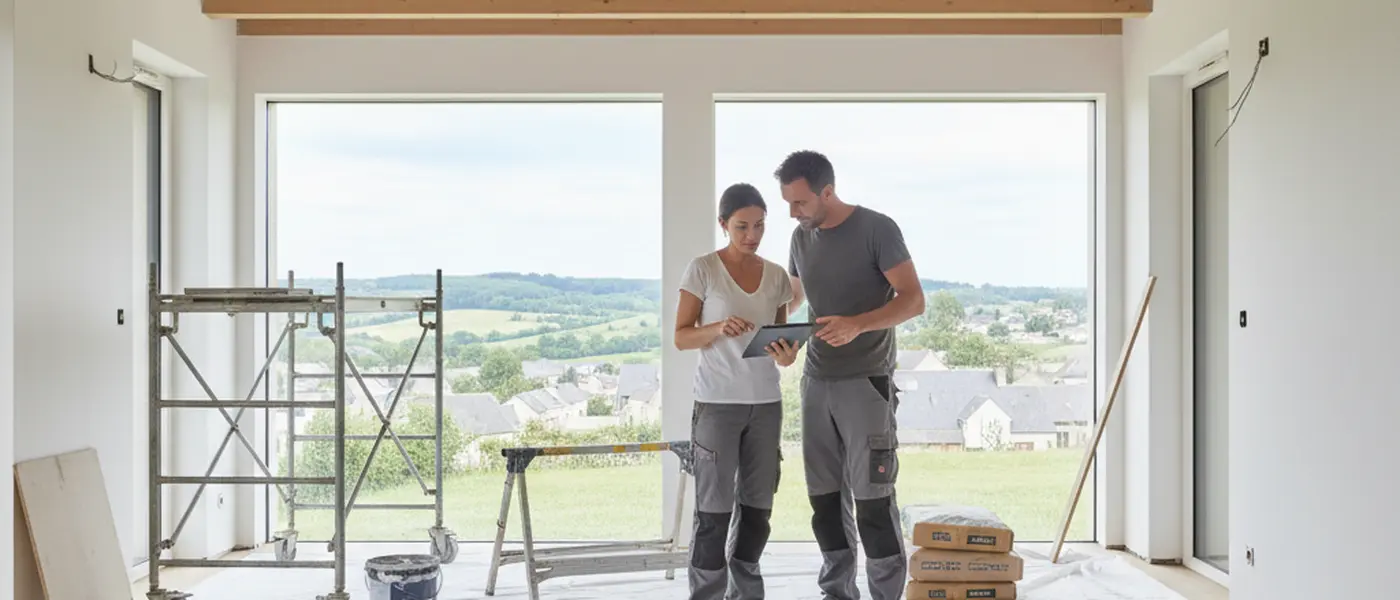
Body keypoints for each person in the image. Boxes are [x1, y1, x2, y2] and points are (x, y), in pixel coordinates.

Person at [776, 150, 925, 600]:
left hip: (866, 381)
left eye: (800, 202)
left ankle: (885, 595)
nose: (793, 212)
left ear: (827, 192)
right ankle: (837, 592)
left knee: (873, 500)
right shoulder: (801, 238)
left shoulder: (877, 229)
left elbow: (914, 299)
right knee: (823, 500)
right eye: (787, 203)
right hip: (816, 381)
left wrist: (858, 323)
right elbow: (796, 299)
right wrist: (782, 340)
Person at [675, 182, 801, 600]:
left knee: (758, 510)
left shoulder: (777, 277)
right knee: (713, 511)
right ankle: (707, 594)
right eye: (742, 226)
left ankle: (746, 593)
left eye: (760, 226)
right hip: (716, 404)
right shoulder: (703, 269)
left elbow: (782, 345)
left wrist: (785, 356)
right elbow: (681, 337)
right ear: (723, 224)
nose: (752, 235)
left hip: (766, 404)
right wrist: (717, 328)